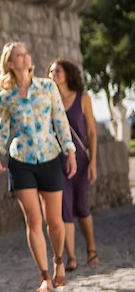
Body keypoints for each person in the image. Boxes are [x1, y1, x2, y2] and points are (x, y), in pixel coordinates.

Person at [0, 42, 77, 292]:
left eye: (26, 53)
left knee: (55, 221)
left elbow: (60, 120)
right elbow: (3, 129)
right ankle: (44, 277)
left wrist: (69, 151)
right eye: (19, 54)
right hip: (21, 161)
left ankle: (59, 260)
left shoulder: (48, 87)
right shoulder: (4, 98)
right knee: (33, 220)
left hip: (50, 156)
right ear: (10, 64)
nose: (26, 56)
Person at [48, 58, 99, 269]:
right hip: (58, 161)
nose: (53, 74)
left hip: (81, 159)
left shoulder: (83, 98)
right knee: (65, 209)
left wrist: (93, 162)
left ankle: (91, 250)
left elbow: (92, 132)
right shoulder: (49, 100)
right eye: (50, 71)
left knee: (81, 206)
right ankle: (71, 257)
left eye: (57, 70)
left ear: (67, 73)